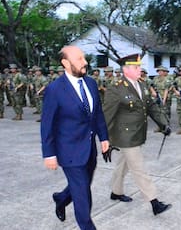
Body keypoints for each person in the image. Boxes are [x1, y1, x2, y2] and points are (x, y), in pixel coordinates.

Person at [41, 45, 110, 230]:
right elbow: (47, 124)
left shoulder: (90, 83)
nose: (85, 62)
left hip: (90, 150)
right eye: (79, 59)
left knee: (81, 185)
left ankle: (61, 198)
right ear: (65, 62)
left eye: (84, 58)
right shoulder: (55, 90)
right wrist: (49, 154)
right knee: (83, 196)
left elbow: (97, 114)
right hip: (69, 151)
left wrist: (104, 137)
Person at [103, 53, 172, 216]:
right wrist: (105, 139)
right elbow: (107, 115)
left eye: (140, 67)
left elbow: (151, 107)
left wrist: (163, 124)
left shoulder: (141, 85)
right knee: (139, 168)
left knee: (123, 164)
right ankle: (154, 202)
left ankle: (116, 192)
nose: (140, 70)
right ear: (126, 69)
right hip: (125, 136)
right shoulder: (116, 88)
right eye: (136, 67)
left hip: (137, 133)